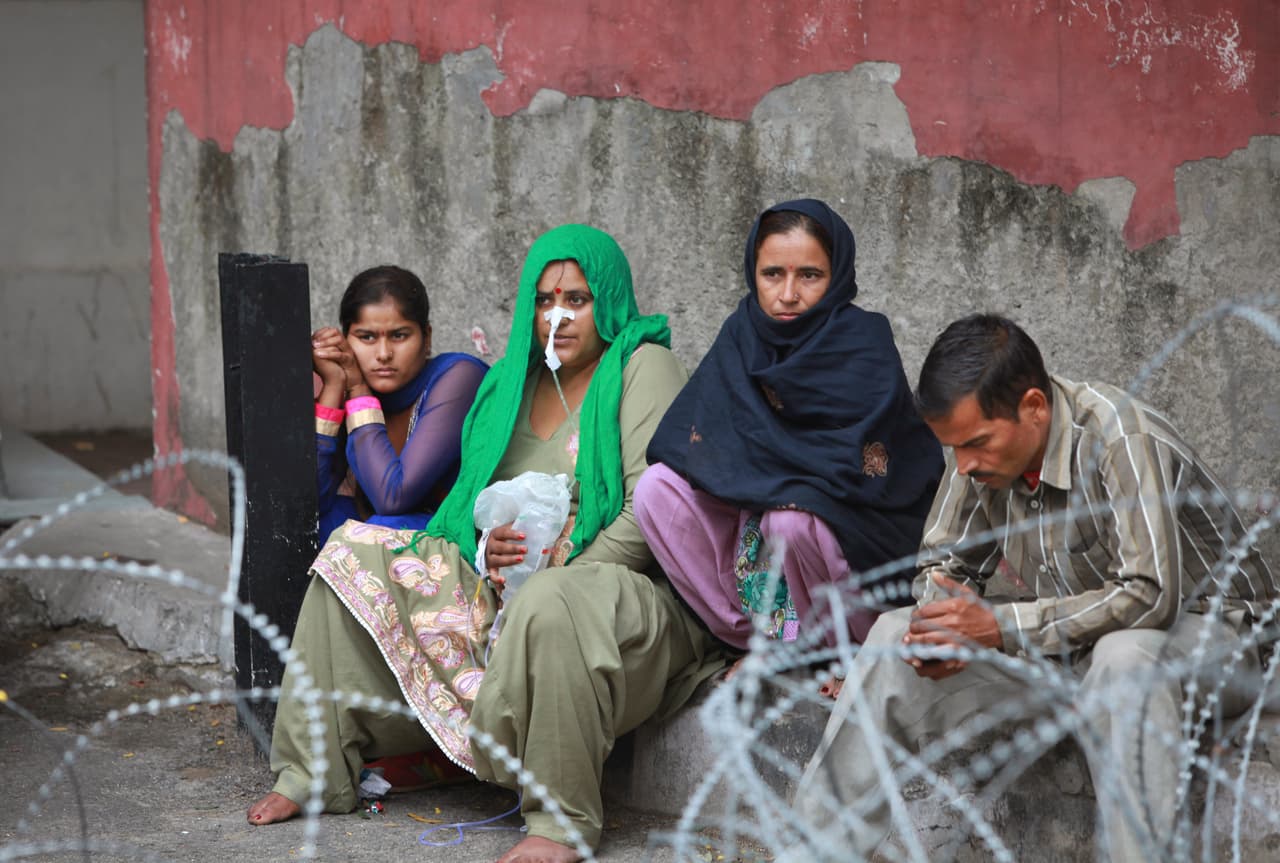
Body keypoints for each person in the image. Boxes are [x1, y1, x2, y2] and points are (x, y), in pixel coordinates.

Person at [247, 225, 724, 863]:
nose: (558, 316)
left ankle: (558, 822)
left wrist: (566, 573)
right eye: (544, 300)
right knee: (352, 550)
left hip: (621, 590)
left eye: (577, 300)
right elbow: (469, 508)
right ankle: (313, 772)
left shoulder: (642, 366)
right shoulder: (508, 383)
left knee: (552, 602)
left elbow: (650, 512)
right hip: (510, 589)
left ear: (608, 300)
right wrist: (487, 546)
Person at [792, 313, 1279, 861]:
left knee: (1123, 659)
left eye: (976, 443)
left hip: (1212, 642)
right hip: (1067, 648)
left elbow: (1149, 595)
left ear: (1033, 407)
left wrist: (1000, 626)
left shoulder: (1119, 436)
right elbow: (941, 567)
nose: (963, 465)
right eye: (954, 448)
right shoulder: (978, 459)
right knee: (891, 635)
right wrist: (942, 628)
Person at [635, 199, 943, 696]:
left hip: (850, 536)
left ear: (837, 276)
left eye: (810, 275)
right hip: (759, 530)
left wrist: (779, 487)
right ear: (752, 274)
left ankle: (850, 653)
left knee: (793, 520)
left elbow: (869, 474)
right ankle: (767, 643)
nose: (788, 294)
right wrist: (760, 485)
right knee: (656, 489)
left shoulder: (863, 344)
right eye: (772, 274)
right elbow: (703, 446)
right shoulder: (741, 336)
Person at [311, 265, 487, 537]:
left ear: (426, 337)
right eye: (367, 337)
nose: (383, 354)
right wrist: (334, 385)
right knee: (321, 522)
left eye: (399, 335)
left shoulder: (459, 377)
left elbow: (392, 498)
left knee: (382, 527)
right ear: (345, 340)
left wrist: (358, 388)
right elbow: (308, 503)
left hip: (454, 541)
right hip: (378, 542)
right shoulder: (348, 389)